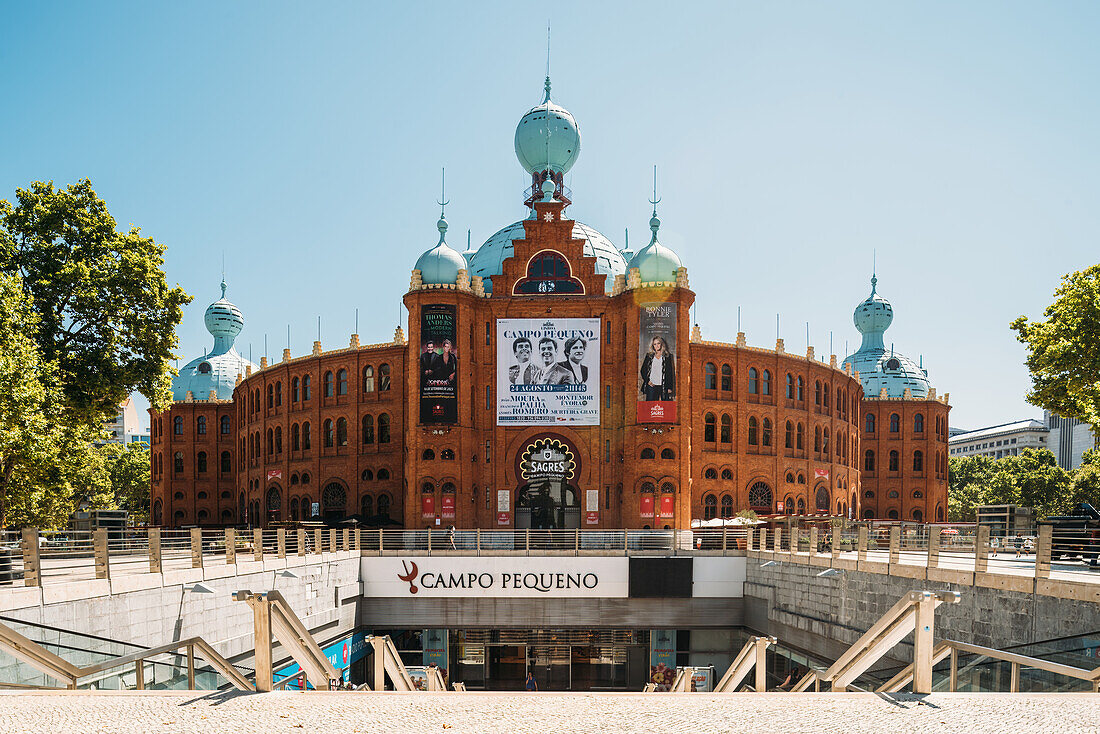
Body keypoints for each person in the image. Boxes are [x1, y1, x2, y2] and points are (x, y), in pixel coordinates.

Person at [640, 336, 675, 401]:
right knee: (650, 406)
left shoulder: (667, 357)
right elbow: (643, 370)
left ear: (661, 344)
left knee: (665, 406)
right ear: (653, 346)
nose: (657, 346)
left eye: (658, 343)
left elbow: (670, 373)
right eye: (655, 344)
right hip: (652, 385)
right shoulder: (649, 356)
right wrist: (648, 381)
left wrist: (670, 387)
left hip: (663, 385)